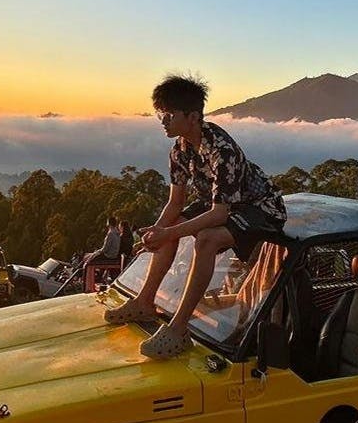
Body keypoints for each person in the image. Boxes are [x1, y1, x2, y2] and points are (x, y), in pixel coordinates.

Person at [105, 74, 287, 358]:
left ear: (192, 117)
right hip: (222, 205)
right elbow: (175, 203)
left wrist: (168, 233)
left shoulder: (221, 150)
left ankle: (179, 329)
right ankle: (144, 300)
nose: (163, 121)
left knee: (206, 239)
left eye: (168, 114)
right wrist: (157, 231)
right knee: (171, 227)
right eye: (160, 114)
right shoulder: (179, 149)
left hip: (260, 208)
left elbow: (219, 214)